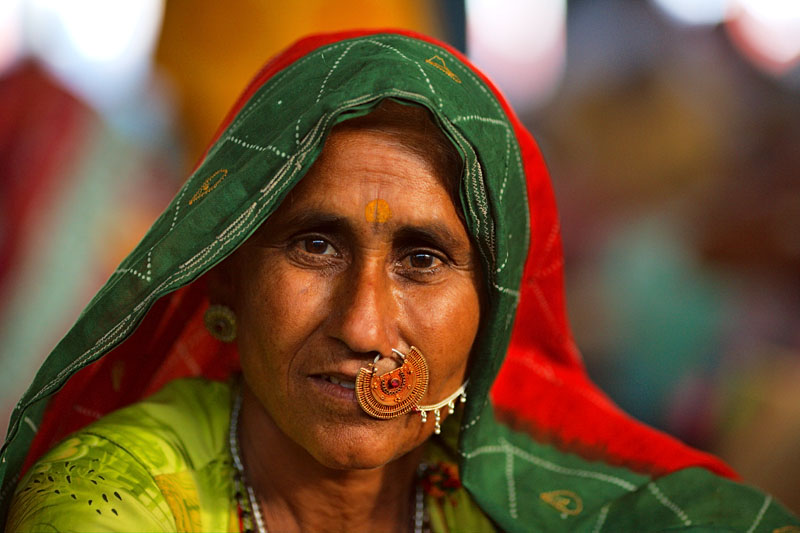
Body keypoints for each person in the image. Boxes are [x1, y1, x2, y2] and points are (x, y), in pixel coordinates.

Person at [2, 29, 798, 532]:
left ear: (492, 312)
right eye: (315, 245)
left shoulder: (537, 497)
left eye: (422, 259)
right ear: (224, 288)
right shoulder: (107, 502)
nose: (364, 326)